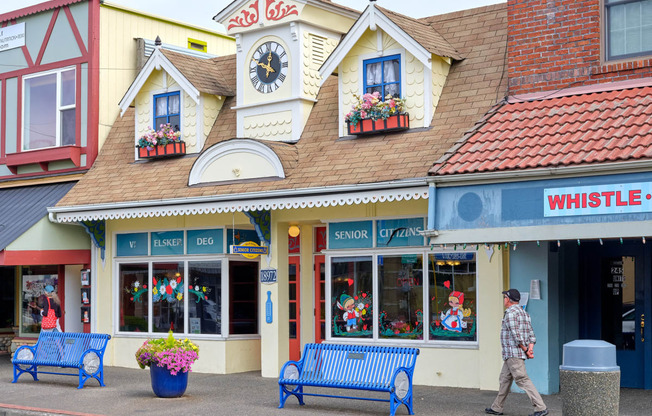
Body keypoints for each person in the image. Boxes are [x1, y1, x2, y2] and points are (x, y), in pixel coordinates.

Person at [485, 288, 548, 416]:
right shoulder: (524, 313)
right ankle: (497, 407)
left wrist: (525, 349)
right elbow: (531, 334)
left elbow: (516, 335)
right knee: (504, 379)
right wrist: (530, 349)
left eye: (504, 297)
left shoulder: (510, 313)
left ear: (508, 299)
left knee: (522, 379)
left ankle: (540, 408)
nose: (503, 300)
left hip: (514, 353)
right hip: (511, 354)